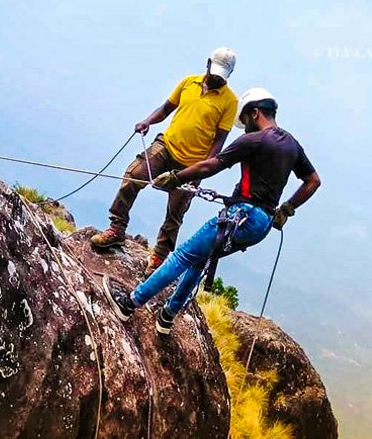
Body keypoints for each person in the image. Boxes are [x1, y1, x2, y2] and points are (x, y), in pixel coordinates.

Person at [104, 87, 322, 335]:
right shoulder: (292, 145)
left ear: (255, 113)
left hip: (241, 216)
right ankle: (167, 316)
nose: (245, 127)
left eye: (246, 121)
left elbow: (212, 165)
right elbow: (313, 180)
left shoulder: (254, 140)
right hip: (261, 224)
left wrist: (176, 177)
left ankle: (129, 303)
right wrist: (287, 208)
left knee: (184, 256)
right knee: (199, 260)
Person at [90, 47, 239, 275]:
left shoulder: (229, 101)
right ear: (208, 64)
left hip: (193, 163)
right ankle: (117, 228)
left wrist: (204, 169)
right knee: (134, 175)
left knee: (176, 211)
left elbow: (219, 141)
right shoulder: (189, 83)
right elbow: (167, 108)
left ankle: (159, 256)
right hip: (167, 146)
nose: (217, 78)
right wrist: (147, 121)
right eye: (215, 72)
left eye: (222, 76)